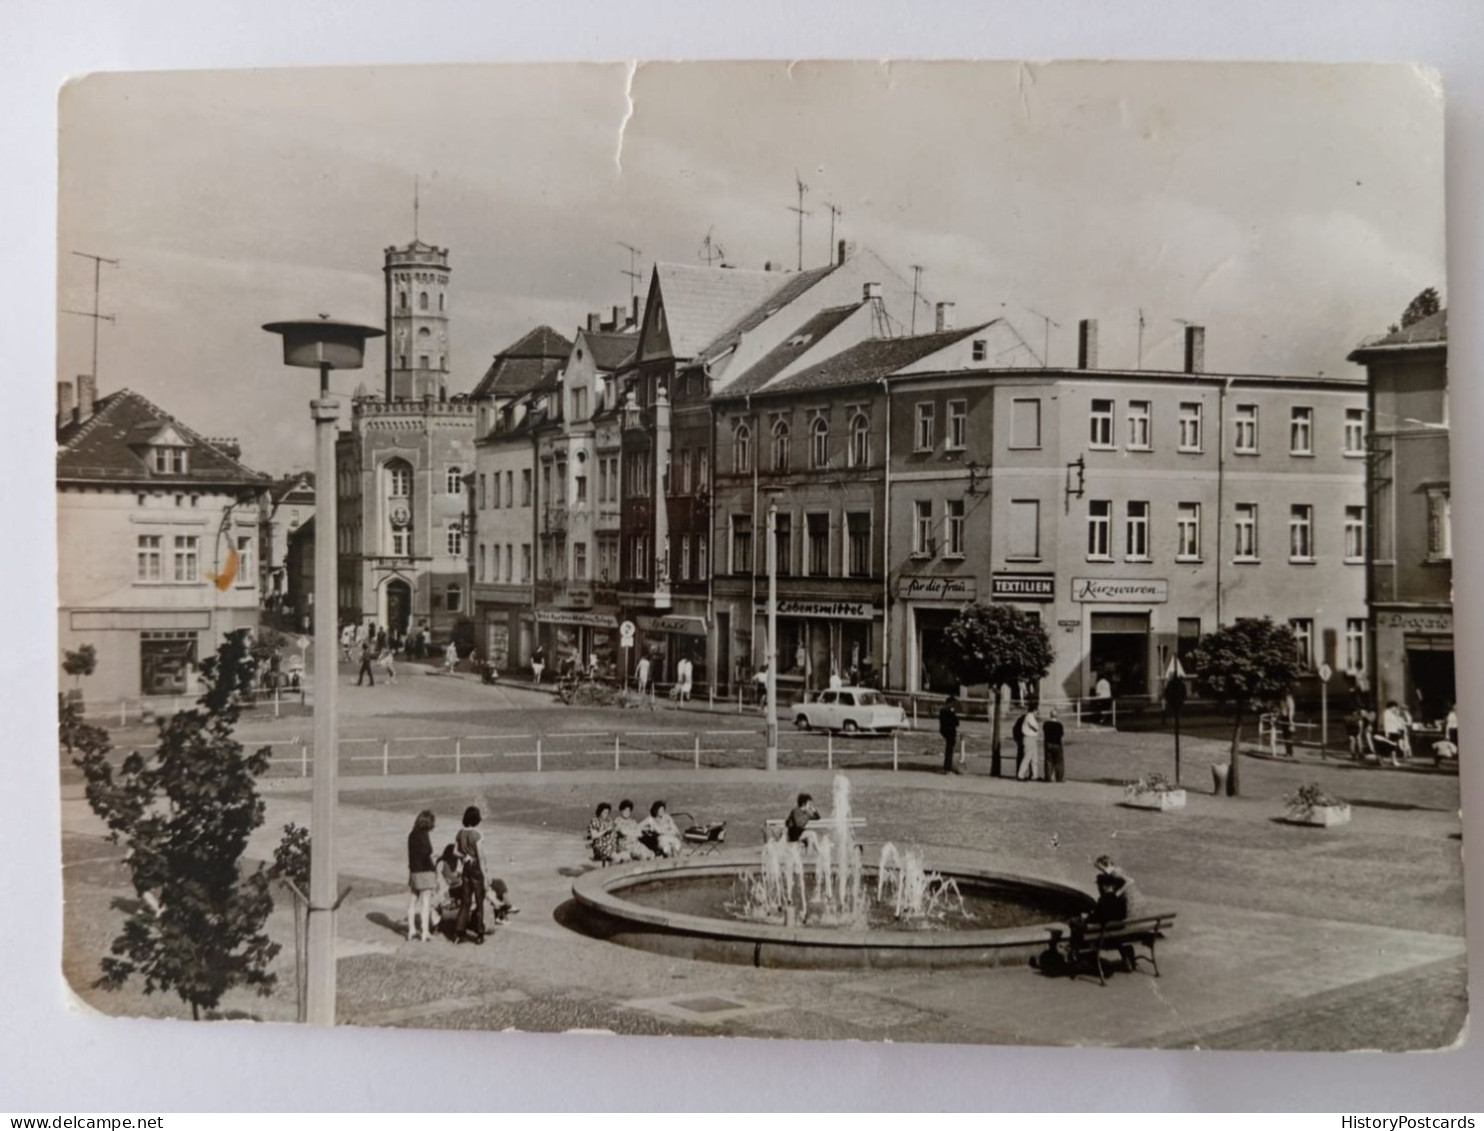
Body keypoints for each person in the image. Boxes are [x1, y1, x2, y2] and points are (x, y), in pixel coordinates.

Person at [406, 809, 438, 942]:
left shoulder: (411, 835)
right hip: (425, 872)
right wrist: (434, 866)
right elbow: (427, 854)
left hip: (414, 872)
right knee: (425, 903)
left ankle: (411, 930)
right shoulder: (424, 836)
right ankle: (425, 932)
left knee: (413, 901)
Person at [1018, 706, 1043, 781]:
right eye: (1037, 711)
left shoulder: (1031, 717)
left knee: (1034, 758)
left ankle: (1034, 775)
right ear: (1034, 710)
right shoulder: (1029, 716)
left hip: (1033, 738)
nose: (1037, 712)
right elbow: (1035, 727)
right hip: (1029, 738)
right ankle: (1020, 775)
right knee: (1027, 757)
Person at [1380, 700, 1408, 766]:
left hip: (1395, 731)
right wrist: (1386, 732)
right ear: (1391, 707)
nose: (1395, 708)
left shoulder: (1393, 713)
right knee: (1392, 747)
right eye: (1394, 707)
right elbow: (1386, 723)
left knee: (1393, 747)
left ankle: (1392, 760)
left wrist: (1397, 715)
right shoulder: (1386, 713)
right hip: (1390, 731)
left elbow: (1397, 722)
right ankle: (1392, 760)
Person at [939, 695, 961, 775]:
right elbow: (956, 722)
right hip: (950, 731)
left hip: (945, 731)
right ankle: (947, 767)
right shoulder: (949, 711)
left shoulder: (942, 711)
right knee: (949, 750)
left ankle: (947, 766)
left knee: (949, 749)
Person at [1043, 708, 1065, 782]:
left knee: (1048, 761)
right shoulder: (1059, 725)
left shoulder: (1046, 724)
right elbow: (1061, 734)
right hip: (1057, 744)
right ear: (1057, 716)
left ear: (1050, 715)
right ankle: (1059, 778)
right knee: (1059, 762)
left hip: (1048, 743)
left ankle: (1048, 777)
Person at [1279, 692, 1296, 758]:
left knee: (1289, 736)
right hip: (1284, 718)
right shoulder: (1283, 700)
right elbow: (1282, 710)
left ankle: (1290, 752)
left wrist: (1291, 721)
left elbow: (1291, 710)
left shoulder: (1289, 700)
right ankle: (1287, 751)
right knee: (1285, 735)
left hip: (1288, 718)